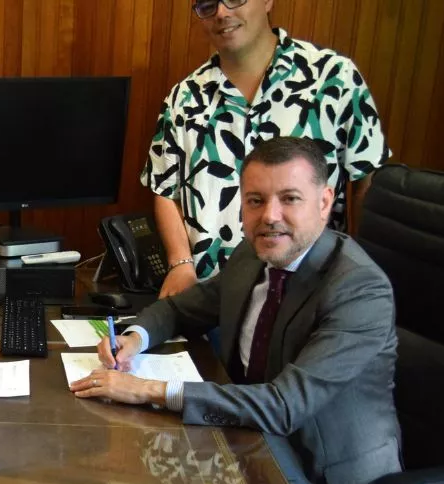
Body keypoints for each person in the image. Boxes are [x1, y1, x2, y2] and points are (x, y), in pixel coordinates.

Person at [71, 137, 416, 484]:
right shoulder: (253, 254)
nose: (270, 216)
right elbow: (181, 308)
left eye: (289, 198)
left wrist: (150, 390)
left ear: (325, 201)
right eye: (255, 200)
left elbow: (283, 406)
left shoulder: (358, 290)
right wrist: (135, 339)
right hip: (250, 451)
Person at [144, 0, 389, 298]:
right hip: (212, 297)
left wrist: (359, 277)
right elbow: (165, 189)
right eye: (207, 4)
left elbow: (367, 182)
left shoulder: (335, 78)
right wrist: (180, 264)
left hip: (308, 295)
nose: (221, 12)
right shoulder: (183, 99)